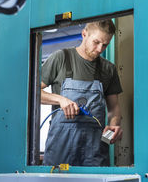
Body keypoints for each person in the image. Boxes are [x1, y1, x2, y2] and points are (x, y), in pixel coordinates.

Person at [41, 20, 123, 166]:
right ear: (84, 34)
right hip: (61, 146)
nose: (99, 49)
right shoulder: (60, 58)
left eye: (105, 45)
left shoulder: (108, 69)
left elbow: (114, 108)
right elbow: (32, 93)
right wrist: (60, 99)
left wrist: (114, 125)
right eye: (96, 42)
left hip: (95, 149)